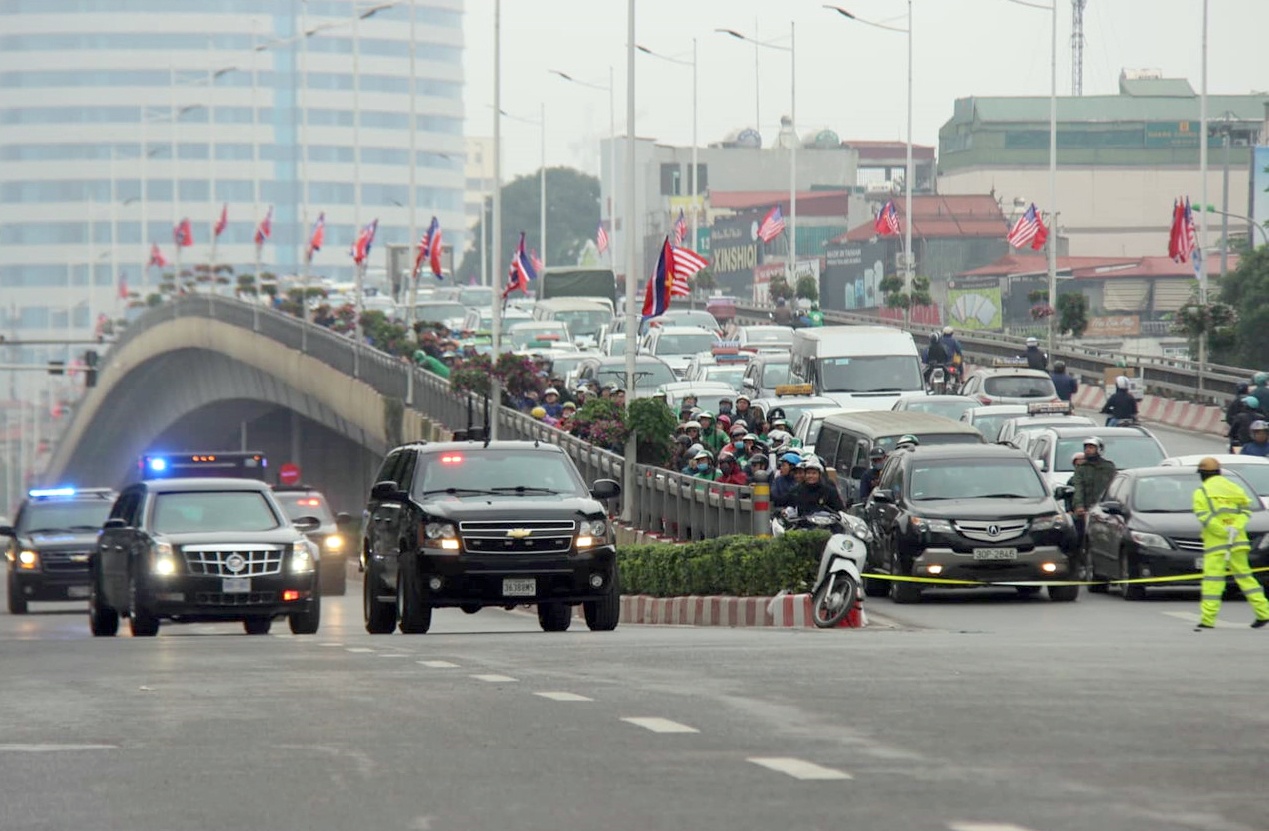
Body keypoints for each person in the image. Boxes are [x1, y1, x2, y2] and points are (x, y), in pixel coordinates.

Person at [1191, 457, 1269, 631]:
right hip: (1237, 542)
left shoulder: (1201, 492)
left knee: (1212, 581)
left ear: (1203, 474)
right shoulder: (1234, 488)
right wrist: (1235, 527)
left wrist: (1222, 531)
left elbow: (1205, 517)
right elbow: (1246, 510)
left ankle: (1208, 619)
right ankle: (1264, 612)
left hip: (1216, 545)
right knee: (1246, 578)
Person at [1070, 437, 1116, 553]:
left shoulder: (1108, 467)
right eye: (1086, 448)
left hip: (1104, 510)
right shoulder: (1081, 469)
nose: (1088, 450)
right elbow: (1078, 488)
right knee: (1079, 537)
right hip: (1086, 510)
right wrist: (1079, 506)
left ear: (1099, 449)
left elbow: (1114, 487)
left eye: (1091, 447)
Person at [781, 458, 846, 514]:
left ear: (819, 475)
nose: (811, 476)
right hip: (801, 525)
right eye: (808, 473)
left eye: (814, 473)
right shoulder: (796, 491)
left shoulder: (829, 491)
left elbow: (839, 510)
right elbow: (787, 506)